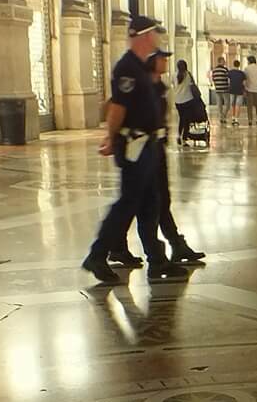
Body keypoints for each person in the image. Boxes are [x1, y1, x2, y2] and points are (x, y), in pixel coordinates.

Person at [81, 15, 187, 284]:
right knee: (127, 204)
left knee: (151, 203)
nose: (157, 38)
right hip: (135, 146)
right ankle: (97, 254)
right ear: (143, 36)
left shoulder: (140, 67)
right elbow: (117, 107)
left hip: (148, 145)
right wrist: (111, 137)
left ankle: (157, 261)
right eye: (154, 33)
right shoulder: (127, 67)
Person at [148, 50, 205, 264]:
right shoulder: (142, 84)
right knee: (137, 205)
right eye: (161, 58)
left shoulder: (160, 84)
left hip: (156, 149)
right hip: (144, 152)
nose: (165, 61)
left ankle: (175, 245)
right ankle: (157, 256)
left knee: (160, 202)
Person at [173, 60, 200, 145]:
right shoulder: (188, 75)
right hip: (188, 100)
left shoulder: (174, 75)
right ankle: (184, 138)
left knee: (181, 118)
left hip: (178, 101)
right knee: (187, 120)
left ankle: (178, 135)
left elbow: (174, 86)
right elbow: (193, 85)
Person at [242, 54, 257, 125]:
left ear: (249, 61)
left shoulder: (246, 68)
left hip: (249, 89)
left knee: (249, 106)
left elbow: (245, 78)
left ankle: (250, 120)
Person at [210, 55, 230, 124]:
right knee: (227, 104)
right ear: (221, 61)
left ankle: (222, 117)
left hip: (217, 89)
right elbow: (228, 79)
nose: (225, 62)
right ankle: (223, 116)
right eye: (224, 61)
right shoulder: (225, 69)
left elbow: (213, 79)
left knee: (219, 104)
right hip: (225, 89)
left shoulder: (214, 70)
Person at [227, 58, 246, 127]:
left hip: (232, 90)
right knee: (238, 105)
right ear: (239, 65)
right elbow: (244, 83)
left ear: (233, 64)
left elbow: (228, 82)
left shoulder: (230, 72)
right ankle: (236, 119)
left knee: (232, 104)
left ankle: (233, 117)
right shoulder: (242, 73)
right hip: (240, 90)